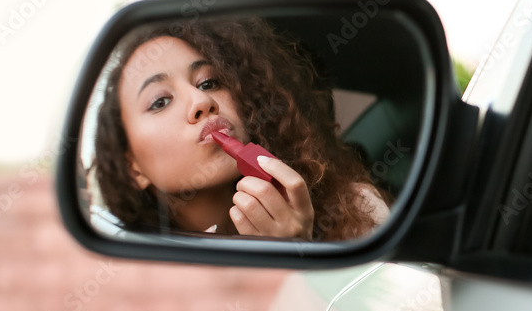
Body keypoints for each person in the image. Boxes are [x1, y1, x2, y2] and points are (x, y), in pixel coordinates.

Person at [92, 15, 391, 241]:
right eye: (159, 102)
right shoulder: (148, 278)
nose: (201, 101)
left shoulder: (357, 210)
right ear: (133, 169)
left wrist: (300, 252)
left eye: (209, 82)